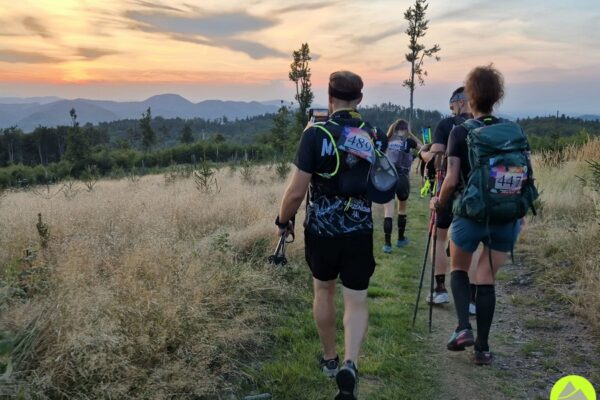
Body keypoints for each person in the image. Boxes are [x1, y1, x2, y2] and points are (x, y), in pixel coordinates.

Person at [276, 70, 387, 400]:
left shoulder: (314, 135)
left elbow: (296, 192)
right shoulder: (373, 135)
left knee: (323, 291)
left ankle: (329, 359)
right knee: (356, 299)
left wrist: (283, 221)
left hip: (322, 232)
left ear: (329, 97)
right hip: (359, 230)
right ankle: (351, 363)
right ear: (360, 99)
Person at [430, 64, 534, 365]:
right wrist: (520, 211)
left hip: (470, 214)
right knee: (486, 278)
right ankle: (483, 349)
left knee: (459, 269)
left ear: (470, 97)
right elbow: (528, 175)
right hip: (506, 216)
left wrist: (438, 202)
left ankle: (463, 328)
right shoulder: (514, 130)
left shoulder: (460, 131)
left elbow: (451, 179)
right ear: (497, 97)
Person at [420, 87, 472, 305]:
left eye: (452, 106)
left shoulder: (447, 125)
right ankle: (473, 299)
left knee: (439, 238)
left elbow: (436, 158)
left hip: (447, 187)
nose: (451, 110)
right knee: (473, 243)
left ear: (459, 102)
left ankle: (440, 290)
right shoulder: (486, 125)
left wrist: (423, 152)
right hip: (476, 192)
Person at [382, 119, 421, 253]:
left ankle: (387, 244)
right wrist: (412, 135)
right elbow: (424, 147)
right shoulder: (408, 142)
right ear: (405, 130)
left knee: (388, 211)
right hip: (403, 178)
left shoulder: (387, 141)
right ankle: (400, 239)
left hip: (389, 177)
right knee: (402, 209)